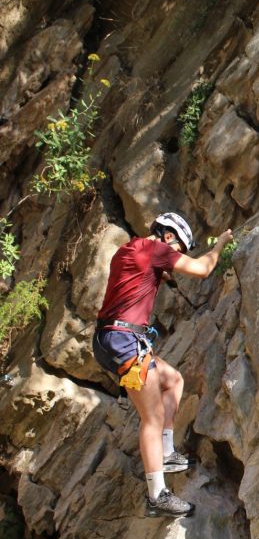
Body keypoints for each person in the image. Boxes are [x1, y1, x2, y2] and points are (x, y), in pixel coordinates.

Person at [93, 212, 233, 517]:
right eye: (178, 248)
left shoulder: (129, 250)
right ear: (168, 236)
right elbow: (201, 269)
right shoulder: (157, 251)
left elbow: (137, 275)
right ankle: (157, 495)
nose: (176, 256)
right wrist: (220, 244)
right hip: (124, 342)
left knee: (173, 380)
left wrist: (160, 272)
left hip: (112, 339)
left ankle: (167, 452)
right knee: (152, 417)